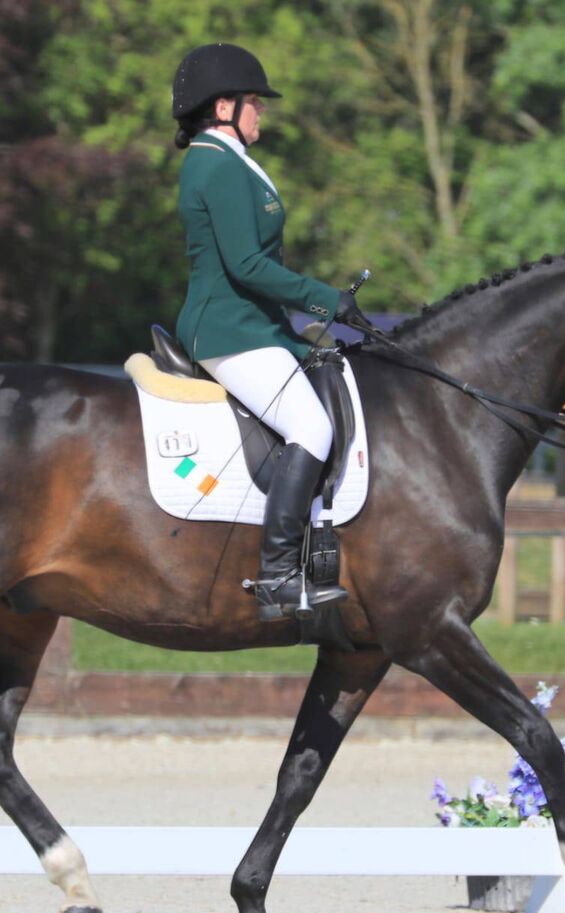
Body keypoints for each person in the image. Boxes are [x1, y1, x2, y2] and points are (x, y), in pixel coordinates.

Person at [171, 43, 359, 621]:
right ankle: (278, 574)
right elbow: (246, 266)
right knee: (311, 426)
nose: (261, 112)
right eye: (254, 102)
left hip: (254, 325)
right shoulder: (215, 164)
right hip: (229, 331)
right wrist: (325, 300)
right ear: (223, 106)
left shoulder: (228, 158)